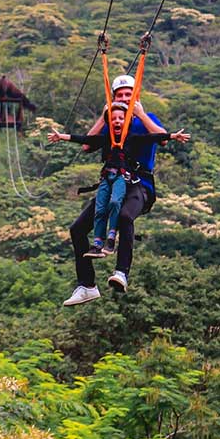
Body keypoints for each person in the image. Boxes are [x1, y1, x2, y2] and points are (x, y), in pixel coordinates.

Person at [62, 74, 190, 305]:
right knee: (78, 229)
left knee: (124, 216)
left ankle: (121, 272)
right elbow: (86, 145)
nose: (124, 98)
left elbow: (161, 139)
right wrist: (104, 118)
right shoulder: (114, 122)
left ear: (136, 96)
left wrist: (140, 113)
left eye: (128, 95)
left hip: (139, 185)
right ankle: (87, 285)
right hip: (112, 183)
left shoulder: (144, 119)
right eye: (120, 96)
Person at [48, 102, 180, 258]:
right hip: (106, 177)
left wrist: (172, 136)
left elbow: (154, 137)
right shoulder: (105, 139)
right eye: (113, 119)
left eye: (121, 119)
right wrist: (62, 137)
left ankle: (111, 236)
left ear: (127, 122)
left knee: (115, 202)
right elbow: (85, 140)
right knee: (100, 209)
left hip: (121, 177)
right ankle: (98, 243)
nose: (117, 121)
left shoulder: (132, 139)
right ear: (109, 123)